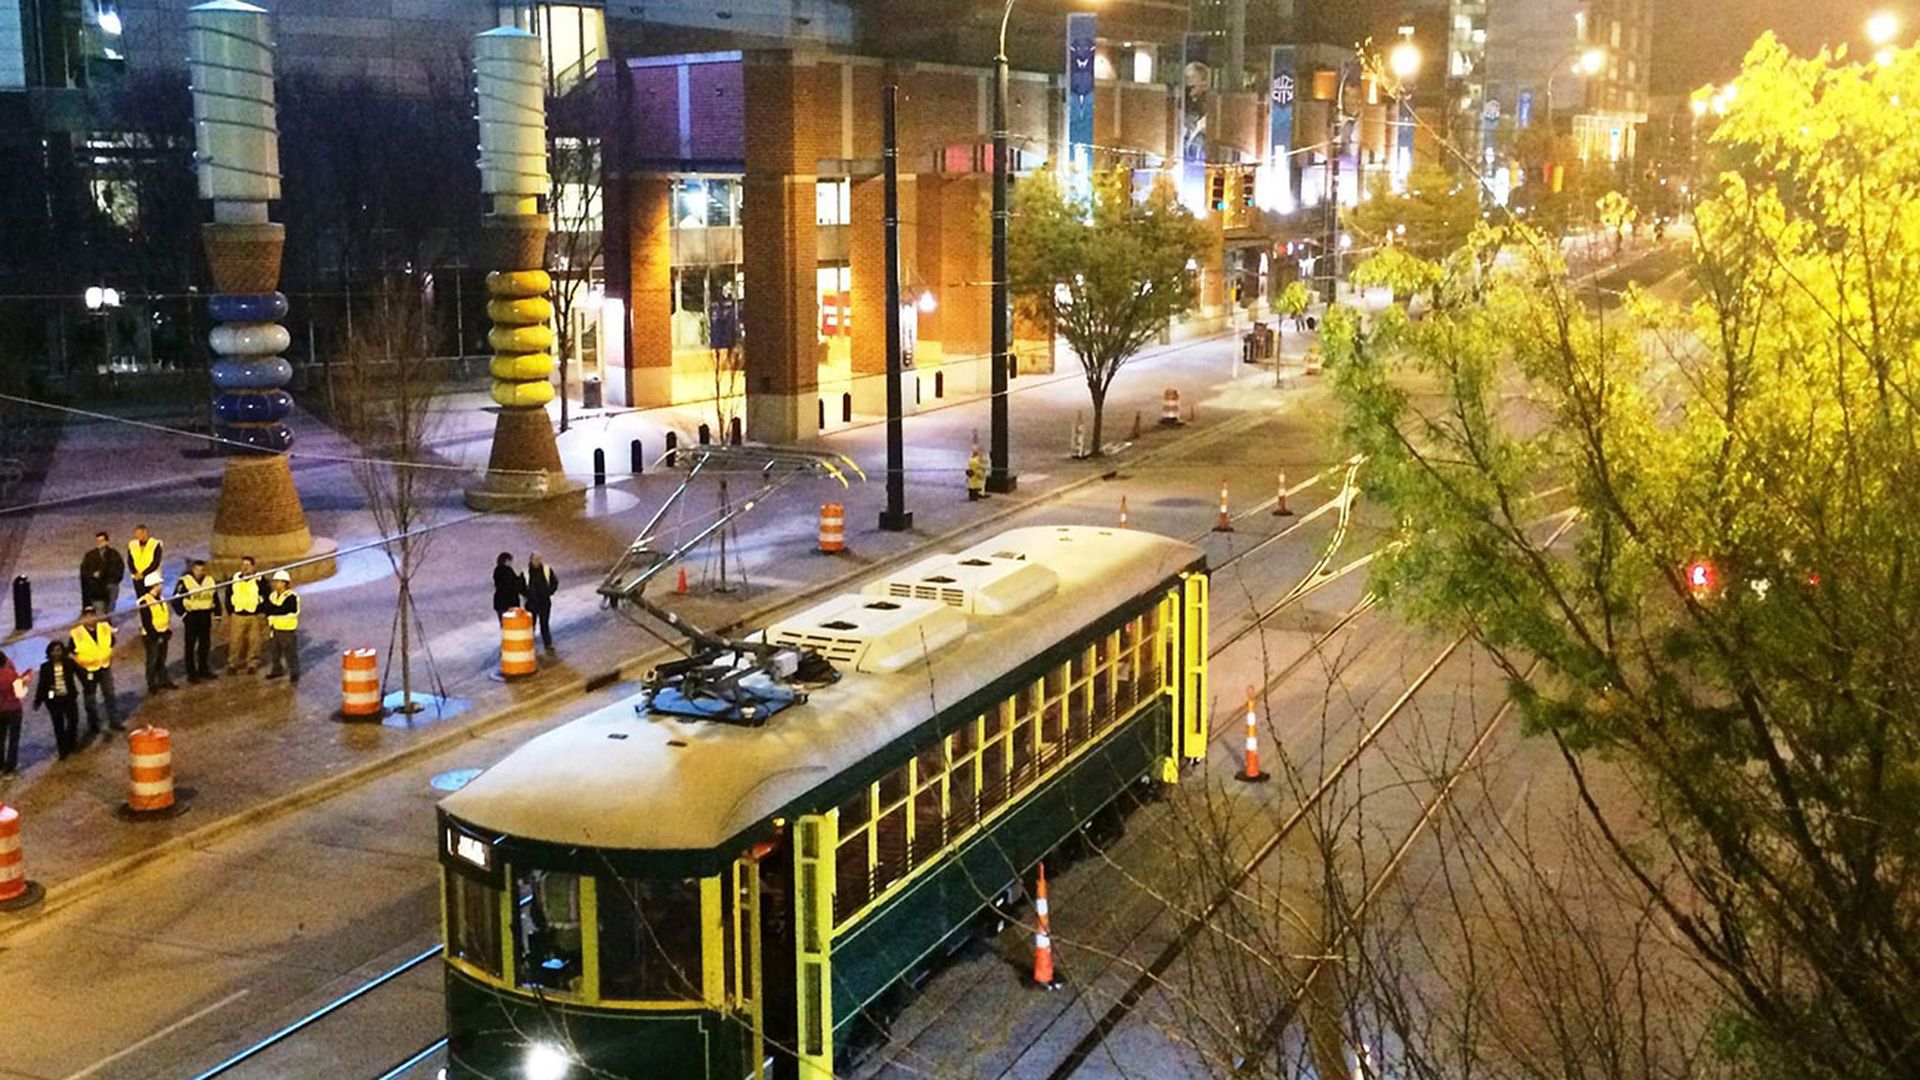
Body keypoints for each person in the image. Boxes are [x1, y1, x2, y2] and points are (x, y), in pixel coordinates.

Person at [69, 605, 122, 735]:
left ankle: (114, 721)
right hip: (88, 670)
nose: (91, 618)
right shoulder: (77, 633)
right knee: (90, 698)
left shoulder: (104, 627)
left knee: (109, 694)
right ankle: (93, 724)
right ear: (82, 618)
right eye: (87, 616)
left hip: (104, 666)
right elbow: (70, 652)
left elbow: (113, 643)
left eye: (93, 615)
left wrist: (111, 655)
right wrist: (81, 665)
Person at [172, 558, 222, 682]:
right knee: (190, 646)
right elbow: (175, 600)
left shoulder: (210, 581)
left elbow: (215, 598)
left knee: (205, 644)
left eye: (202, 570)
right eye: (197, 569)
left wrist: (217, 615)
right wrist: (183, 614)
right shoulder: (184, 582)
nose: (199, 572)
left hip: (205, 616)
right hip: (192, 616)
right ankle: (191, 673)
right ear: (193, 569)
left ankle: (203, 669)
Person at [32, 642, 82, 760]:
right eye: (53, 651)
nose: (56, 653)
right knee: (58, 725)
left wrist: (89, 684)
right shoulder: (45, 667)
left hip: (69, 698)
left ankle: (71, 743)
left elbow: (81, 674)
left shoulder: (69, 663)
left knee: (73, 721)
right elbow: (42, 685)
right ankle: (63, 750)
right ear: (49, 653)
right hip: (54, 701)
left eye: (58, 650)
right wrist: (38, 700)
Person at [138, 573, 177, 692]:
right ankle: (152, 684)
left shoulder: (161, 599)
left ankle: (163, 680)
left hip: (163, 633)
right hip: (151, 636)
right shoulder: (144, 601)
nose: (161, 586)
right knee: (152, 660)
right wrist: (156, 635)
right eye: (159, 584)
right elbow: (146, 622)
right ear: (153, 585)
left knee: (161, 659)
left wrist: (166, 631)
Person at [225, 556, 264, 674]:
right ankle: (232, 663)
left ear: (253, 566)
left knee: (255, 641)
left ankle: (253, 663)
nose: (245, 568)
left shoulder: (260, 580)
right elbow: (228, 595)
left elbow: (266, 596)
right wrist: (231, 611)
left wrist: (261, 611)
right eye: (243, 565)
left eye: (248, 565)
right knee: (235, 641)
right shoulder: (234, 579)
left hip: (254, 615)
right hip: (238, 615)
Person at [263, 570, 301, 683]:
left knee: (290, 653)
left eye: (279, 582)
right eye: (275, 582)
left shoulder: (292, 597)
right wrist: (272, 610)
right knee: (275, 652)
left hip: (287, 629)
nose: (276, 584)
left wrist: (272, 610)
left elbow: (284, 609)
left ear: (285, 583)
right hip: (274, 628)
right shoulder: (273, 595)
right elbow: (267, 608)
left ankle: (294, 672)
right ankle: (277, 670)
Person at [80, 532, 125, 613]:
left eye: (102, 540)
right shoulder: (90, 555)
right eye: (98, 541)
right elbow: (84, 570)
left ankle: (108, 622)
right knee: (100, 607)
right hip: (97, 586)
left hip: (111, 584)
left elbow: (120, 568)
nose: (100, 543)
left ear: (107, 541)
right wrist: (92, 577)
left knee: (111, 606)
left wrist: (115, 580)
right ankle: (103, 623)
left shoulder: (114, 554)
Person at [524, 553, 558, 651]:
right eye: (536, 559)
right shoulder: (525, 572)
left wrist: (549, 592)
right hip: (531, 604)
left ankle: (548, 644)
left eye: (539, 559)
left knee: (544, 624)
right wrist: (528, 595)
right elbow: (520, 586)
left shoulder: (547, 570)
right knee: (531, 625)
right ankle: (529, 644)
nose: (538, 561)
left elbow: (554, 582)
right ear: (531, 560)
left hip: (544, 602)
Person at [0, 651, 24, 775]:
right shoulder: (11, 672)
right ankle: (10, 766)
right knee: (13, 739)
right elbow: (20, 692)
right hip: (14, 709)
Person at [492, 552, 524, 620]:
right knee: (511, 625)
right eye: (510, 561)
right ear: (506, 561)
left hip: (499, 603)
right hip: (510, 603)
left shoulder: (497, 571)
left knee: (504, 625)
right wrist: (521, 578)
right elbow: (513, 585)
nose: (511, 563)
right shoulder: (508, 571)